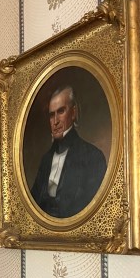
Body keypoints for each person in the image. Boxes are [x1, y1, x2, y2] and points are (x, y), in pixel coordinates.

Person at [30, 85, 107, 218]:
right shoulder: (46, 160)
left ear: (73, 113)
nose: (55, 121)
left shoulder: (93, 157)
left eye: (61, 111)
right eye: (51, 115)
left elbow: (95, 212)